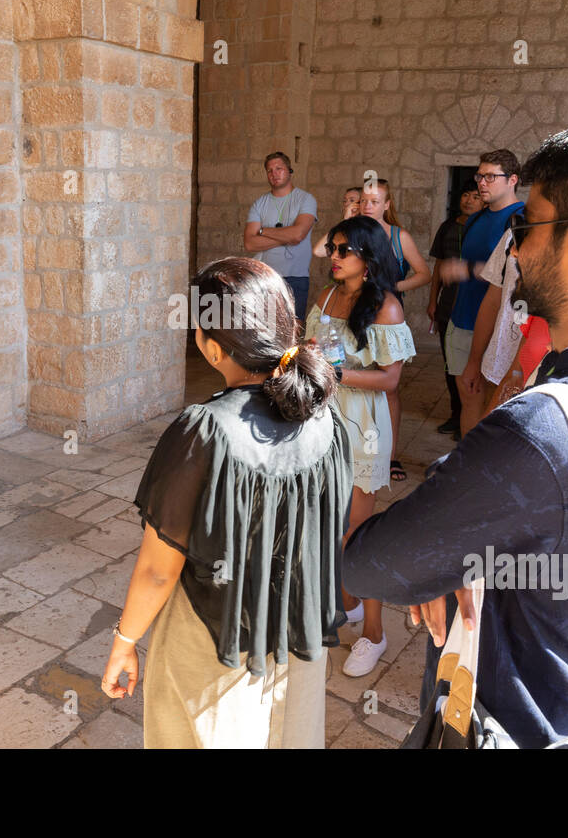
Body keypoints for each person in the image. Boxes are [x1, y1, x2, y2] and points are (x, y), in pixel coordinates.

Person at [342, 116, 568, 747]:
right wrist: (463, 564)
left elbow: (371, 563)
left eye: (525, 226)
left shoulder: (544, 427)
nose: (516, 249)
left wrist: (447, 563)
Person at [99, 258, 353, 748]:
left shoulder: (205, 430)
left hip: (217, 639)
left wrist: (125, 642)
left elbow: (158, 568)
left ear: (211, 346)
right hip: (296, 634)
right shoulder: (326, 414)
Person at [305, 216, 416, 677]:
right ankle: (347, 603)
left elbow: (390, 378)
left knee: (357, 527)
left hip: (363, 423)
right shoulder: (328, 295)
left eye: (343, 250)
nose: (333, 255)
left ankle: (374, 631)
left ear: (367, 257)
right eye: (333, 247)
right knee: (328, 518)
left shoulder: (387, 307)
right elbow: (317, 344)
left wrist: (335, 374)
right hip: (325, 416)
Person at [437, 149, 526, 438]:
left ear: (512, 179)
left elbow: (512, 272)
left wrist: (467, 269)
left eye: (490, 176)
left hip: (491, 326)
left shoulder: (519, 219)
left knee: (489, 403)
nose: (481, 183)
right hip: (461, 318)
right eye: (479, 176)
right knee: (467, 400)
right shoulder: (475, 218)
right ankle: (465, 464)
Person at [358, 178, 431, 481]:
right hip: (357, 316)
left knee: (389, 388)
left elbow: (424, 273)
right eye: (363, 200)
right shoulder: (354, 232)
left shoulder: (400, 237)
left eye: (375, 201)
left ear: (387, 205)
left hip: (387, 318)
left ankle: (390, 456)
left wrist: (393, 287)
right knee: (355, 382)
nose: (368, 206)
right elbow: (321, 252)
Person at [428, 183, 483, 435]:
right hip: (448, 304)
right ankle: (456, 415)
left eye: (475, 196)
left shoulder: (484, 228)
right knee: (451, 364)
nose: (469, 200)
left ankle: (472, 418)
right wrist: (432, 301)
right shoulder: (448, 227)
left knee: (473, 365)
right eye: (464, 194)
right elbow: (439, 265)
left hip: (476, 306)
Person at [243, 151, 318, 322]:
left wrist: (262, 230)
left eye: (279, 168)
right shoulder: (260, 203)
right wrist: (286, 235)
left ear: (289, 170)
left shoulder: (306, 199)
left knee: (293, 330)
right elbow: (249, 243)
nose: (274, 174)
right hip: (266, 276)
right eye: (270, 170)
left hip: (296, 277)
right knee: (266, 331)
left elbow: (298, 235)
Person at [312, 187, 364, 257]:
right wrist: (346, 221)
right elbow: (318, 251)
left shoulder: (365, 228)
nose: (347, 204)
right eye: (345, 201)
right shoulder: (346, 227)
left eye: (352, 200)